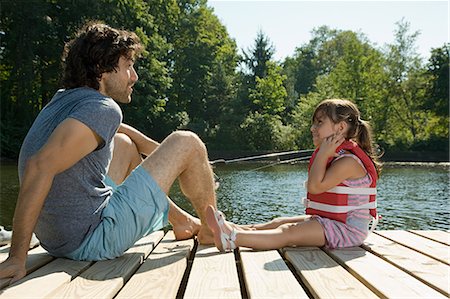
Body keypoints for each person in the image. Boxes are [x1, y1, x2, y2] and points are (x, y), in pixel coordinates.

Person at [0, 21, 217, 283]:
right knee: (188, 141)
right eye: (128, 66)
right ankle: (209, 230)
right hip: (92, 239)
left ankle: (180, 220)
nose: (134, 76)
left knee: (124, 144)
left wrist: (162, 152)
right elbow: (38, 167)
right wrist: (16, 258)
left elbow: (116, 130)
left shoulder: (65, 100)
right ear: (103, 69)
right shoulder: (102, 108)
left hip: (58, 240)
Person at [206, 99, 382, 252]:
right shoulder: (335, 156)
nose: (312, 128)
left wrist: (321, 154)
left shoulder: (349, 162)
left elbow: (315, 187)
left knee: (288, 232)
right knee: (278, 222)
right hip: (329, 221)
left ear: (341, 127)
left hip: (347, 231)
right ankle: (232, 228)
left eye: (319, 122)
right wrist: (323, 154)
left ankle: (232, 239)